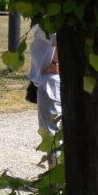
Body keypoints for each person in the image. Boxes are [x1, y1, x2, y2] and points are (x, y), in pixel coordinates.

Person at [28, 24, 61, 167]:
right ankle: (57, 176)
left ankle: (53, 179)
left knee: (50, 131)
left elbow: (59, 40)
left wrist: (55, 64)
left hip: (50, 83)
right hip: (49, 81)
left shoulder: (48, 23)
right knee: (53, 129)